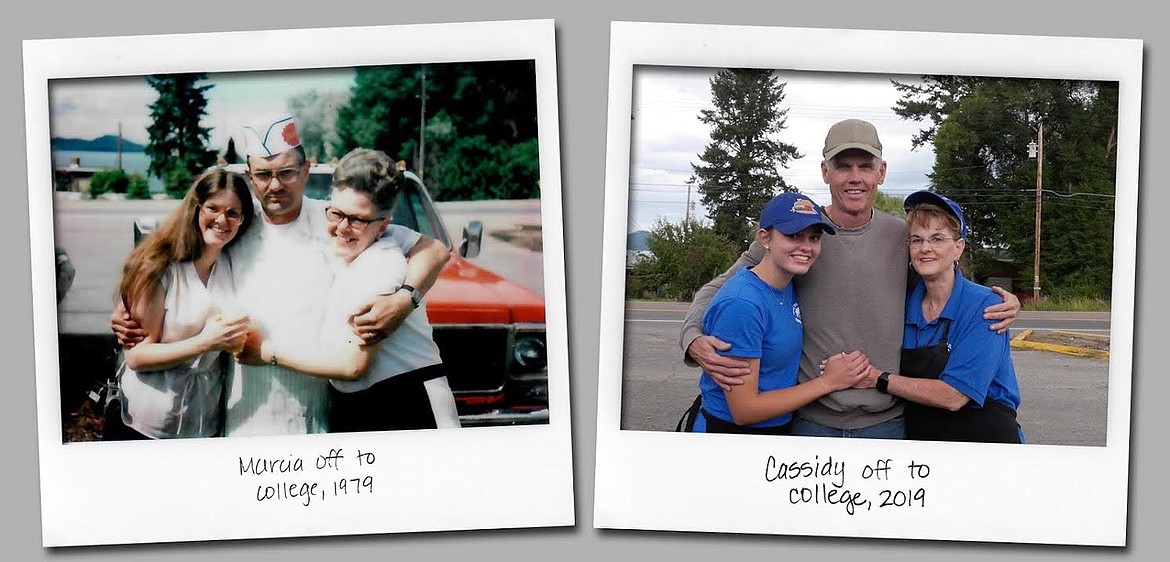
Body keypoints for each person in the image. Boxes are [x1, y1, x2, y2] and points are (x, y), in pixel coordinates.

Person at [681, 118, 1020, 439]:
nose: (854, 177)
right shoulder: (798, 235)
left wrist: (995, 301)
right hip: (810, 421)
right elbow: (722, 289)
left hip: (888, 424)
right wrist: (693, 338)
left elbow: (942, 277)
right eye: (843, 166)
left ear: (881, 172)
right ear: (826, 172)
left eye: (866, 166)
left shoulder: (903, 237)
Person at [112, 114, 450, 436]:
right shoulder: (236, 224)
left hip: (315, 404)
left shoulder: (335, 220)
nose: (275, 185)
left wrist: (406, 299)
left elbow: (433, 249)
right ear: (249, 175)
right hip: (243, 407)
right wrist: (128, 308)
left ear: (305, 171)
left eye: (287, 172)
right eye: (263, 174)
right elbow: (170, 259)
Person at [237, 148, 460, 431]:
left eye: (357, 219)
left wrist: (266, 352)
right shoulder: (347, 242)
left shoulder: (382, 263)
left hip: (408, 400)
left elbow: (351, 367)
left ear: (384, 226)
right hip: (358, 403)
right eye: (336, 213)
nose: (342, 228)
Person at [691, 192, 870, 434]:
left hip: (778, 427)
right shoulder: (742, 303)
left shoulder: (785, 285)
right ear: (765, 238)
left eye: (814, 238)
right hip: (735, 436)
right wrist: (829, 382)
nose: (806, 247)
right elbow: (745, 410)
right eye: (793, 235)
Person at [856, 191, 1024, 443]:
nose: (925, 248)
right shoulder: (901, 302)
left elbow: (954, 397)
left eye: (937, 239)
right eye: (916, 240)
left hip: (986, 441)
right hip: (924, 441)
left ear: (958, 248)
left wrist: (878, 379)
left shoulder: (986, 307)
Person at [114, 168, 255, 439]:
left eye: (232, 213)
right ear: (196, 208)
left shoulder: (230, 263)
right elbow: (137, 357)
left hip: (204, 421)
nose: (222, 220)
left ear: (243, 219)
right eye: (212, 208)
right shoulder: (159, 266)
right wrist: (207, 342)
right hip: (148, 424)